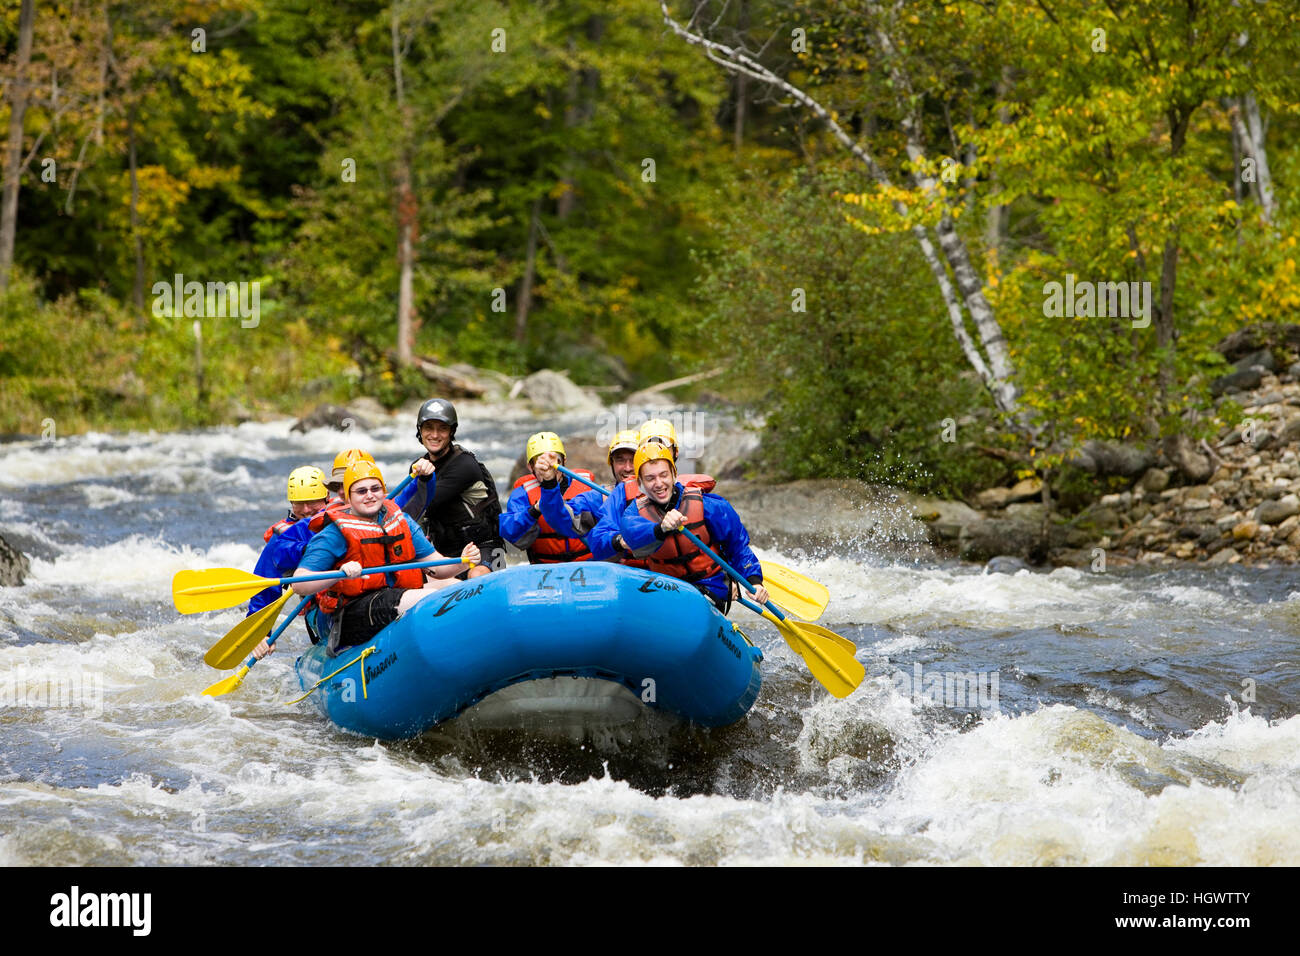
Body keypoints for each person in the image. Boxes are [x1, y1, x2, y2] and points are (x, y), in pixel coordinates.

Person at [289, 460, 478, 653]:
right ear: (348, 497)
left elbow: (438, 568)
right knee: (429, 599)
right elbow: (299, 583)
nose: (370, 495)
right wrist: (339, 574)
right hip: (350, 612)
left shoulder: (401, 521)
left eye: (375, 488)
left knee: (458, 587)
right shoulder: (334, 533)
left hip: (394, 592)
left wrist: (464, 562)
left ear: (383, 491)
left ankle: (472, 643)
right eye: (361, 491)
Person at [617, 443, 768, 612]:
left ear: (674, 474)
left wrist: (754, 580)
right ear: (640, 482)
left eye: (663, 475)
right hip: (665, 587)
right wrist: (661, 528)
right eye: (650, 478)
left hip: (710, 586)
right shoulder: (633, 513)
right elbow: (632, 536)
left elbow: (737, 547)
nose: (658, 483)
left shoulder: (709, 505)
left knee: (691, 603)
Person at [585, 419, 715, 563]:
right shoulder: (623, 493)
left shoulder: (693, 491)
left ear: (676, 452)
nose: (655, 453)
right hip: (636, 571)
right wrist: (620, 541)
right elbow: (597, 540)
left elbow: (725, 535)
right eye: (649, 447)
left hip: (682, 577)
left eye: (662, 447)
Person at [402, 398, 504, 579]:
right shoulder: (417, 467)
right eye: (428, 428)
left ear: (451, 432)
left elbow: (425, 504)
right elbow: (408, 514)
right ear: (420, 431)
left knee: (476, 578)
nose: (435, 434)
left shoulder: (464, 465)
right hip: (442, 551)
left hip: (481, 547)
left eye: (442, 428)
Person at [500, 432, 602, 563]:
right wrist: (534, 511)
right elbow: (511, 533)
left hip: (589, 564)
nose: (549, 469)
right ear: (530, 467)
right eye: (541, 464)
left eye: (555, 462)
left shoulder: (587, 485)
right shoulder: (522, 494)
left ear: (564, 461)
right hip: (546, 569)